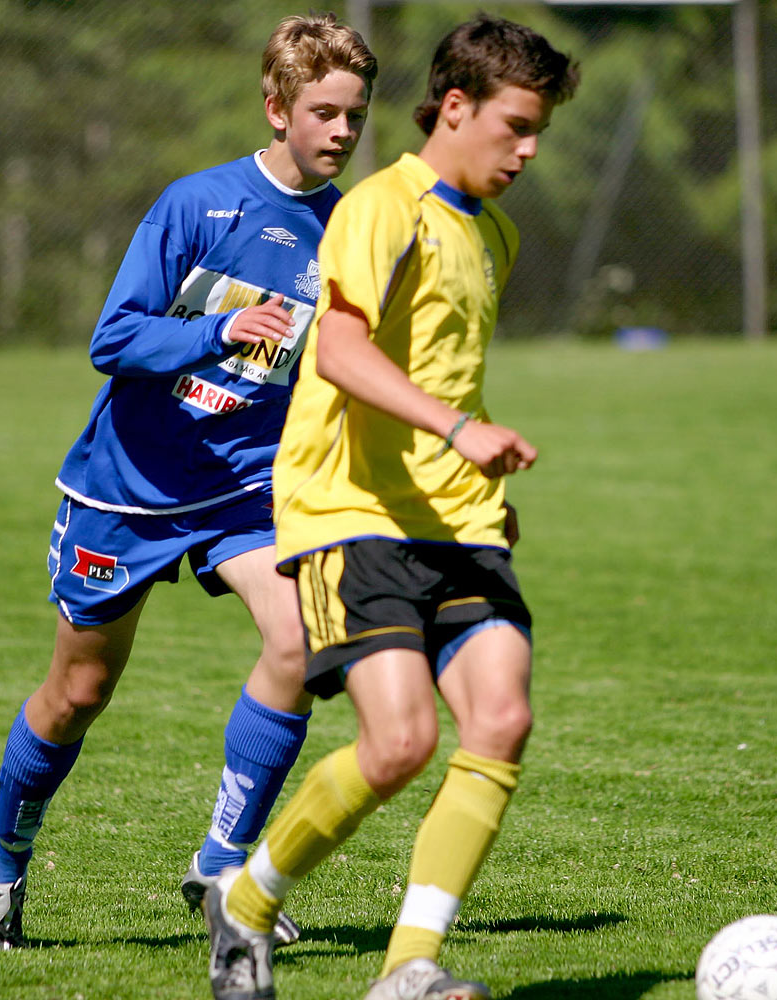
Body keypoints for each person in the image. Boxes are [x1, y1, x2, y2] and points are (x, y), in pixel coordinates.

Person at [0, 14, 378, 951]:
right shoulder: (198, 205)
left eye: (355, 114)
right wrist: (216, 332)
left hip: (244, 486)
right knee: (77, 694)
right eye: (324, 113)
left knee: (304, 637)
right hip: (129, 489)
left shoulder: (346, 224)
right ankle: (1, 867)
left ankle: (223, 866)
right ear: (276, 109)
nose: (343, 132)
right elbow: (113, 339)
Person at [201, 14, 580, 1000]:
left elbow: (446, 370)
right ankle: (245, 900)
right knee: (400, 743)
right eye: (516, 126)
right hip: (349, 512)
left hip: (455, 521)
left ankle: (409, 965)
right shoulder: (383, 207)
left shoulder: (491, 229)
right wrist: (458, 433)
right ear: (456, 108)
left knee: (500, 713)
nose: (529, 150)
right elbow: (341, 349)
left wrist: (479, 469)